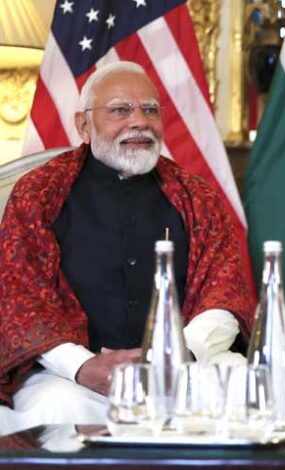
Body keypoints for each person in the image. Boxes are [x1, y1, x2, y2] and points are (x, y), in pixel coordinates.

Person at [0, 61, 254, 434]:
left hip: (182, 369)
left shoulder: (197, 197)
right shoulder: (38, 195)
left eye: (150, 110)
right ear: (83, 126)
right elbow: (19, 301)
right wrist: (84, 367)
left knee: (241, 390)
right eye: (120, 110)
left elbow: (225, 294)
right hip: (69, 377)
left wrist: (175, 356)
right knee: (58, 410)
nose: (139, 122)